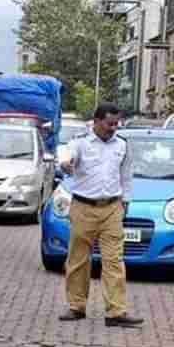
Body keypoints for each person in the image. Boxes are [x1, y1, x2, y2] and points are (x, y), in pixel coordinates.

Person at [58, 102, 143, 328]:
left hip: (112, 208)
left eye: (117, 123)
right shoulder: (80, 143)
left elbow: (126, 176)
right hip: (83, 207)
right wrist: (66, 164)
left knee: (114, 260)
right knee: (78, 259)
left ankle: (116, 312)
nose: (113, 128)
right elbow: (67, 154)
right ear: (96, 121)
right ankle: (76, 306)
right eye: (109, 123)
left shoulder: (122, 145)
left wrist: (125, 203)